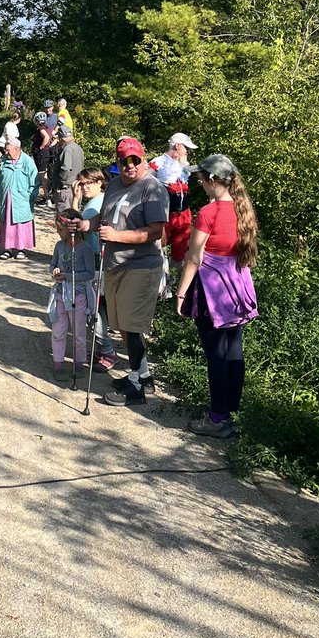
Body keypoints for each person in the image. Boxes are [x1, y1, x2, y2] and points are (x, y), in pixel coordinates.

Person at [74, 137, 169, 406]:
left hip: (141, 265)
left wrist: (117, 236)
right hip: (115, 264)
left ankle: (137, 388)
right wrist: (84, 225)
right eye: (123, 160)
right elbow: (101, 220)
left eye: (134, 160)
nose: (129, 166)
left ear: (142, 159)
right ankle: (144, 375)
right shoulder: (114, 184)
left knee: (130, 324)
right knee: (125, 327)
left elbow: (156, 232)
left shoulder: (153, 189)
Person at [176, 154, 259, 438]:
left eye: (201, 178)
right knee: (233, 350)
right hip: (237, 287)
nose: (199, 182)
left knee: (216, 355)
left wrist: (180, 294)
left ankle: (217, 418)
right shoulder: (242, 208)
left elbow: (193, 258)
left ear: (212, 180)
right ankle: (230, 410)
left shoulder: (208, 213)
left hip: (212, 290)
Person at [74, 167, 116, 372]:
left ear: (100, 183)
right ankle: (102, 348)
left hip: (95, 263)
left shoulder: (93, 207)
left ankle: (107, 350)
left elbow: (78, 235)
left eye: (88, 183)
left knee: (94, 309)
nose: (84, 187)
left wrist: (74, 203)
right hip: (99, 262)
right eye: (81, 184)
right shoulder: (102, 201)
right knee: (99, 308)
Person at [47, 209, 94, 377]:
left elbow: (90, 273)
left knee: (79, 332)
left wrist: (69, 277)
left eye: (61, 229)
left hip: (78, 296)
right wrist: (55, 271)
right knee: (58, 330)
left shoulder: (85, 249)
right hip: (60, 294)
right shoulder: (59, 246)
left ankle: (79, 362)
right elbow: (52, 265)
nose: (59, 233)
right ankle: (58, 363)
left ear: (72, 229)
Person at [150, 133, 197, 267]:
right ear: (177, 146)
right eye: (186, 147)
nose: (188, 151)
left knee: (181, 249)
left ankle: (176, 280)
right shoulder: (156, 162)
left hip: (184, 213)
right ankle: (160, 279)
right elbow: (144, 185)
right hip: (165, 213)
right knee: (159, 246)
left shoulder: (184, 165)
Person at [0, 141, 40, 261]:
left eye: (8, 150)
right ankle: (7, 248)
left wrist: (29, 197)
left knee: (20, 223)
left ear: (17, 149)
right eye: (6, 150)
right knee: (6, 222)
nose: (6, 152)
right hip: (6, 198)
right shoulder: (4, 159)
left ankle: (21, 248)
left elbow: (34, 182)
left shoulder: (27, 162)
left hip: (22, 199)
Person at [50, 124, 84, 210]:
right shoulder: (78, 148)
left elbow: (66, 168)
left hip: (66, 189)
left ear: (60, 137)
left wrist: (60, 184)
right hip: (77, 187)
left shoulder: (67, 149)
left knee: (64, 218)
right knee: (74, 216)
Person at [31, 112, 53, 204]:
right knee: (45, 175)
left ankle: (46, 198)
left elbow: (46, 138)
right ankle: (47, 195)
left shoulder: (41, 129)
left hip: (42, 154)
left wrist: (41, 147)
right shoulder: (48, 128)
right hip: (47, 153)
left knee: (42, 175)